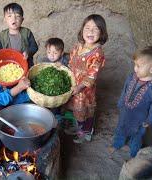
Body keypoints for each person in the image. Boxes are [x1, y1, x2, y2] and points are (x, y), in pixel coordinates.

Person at [108, 46, 152, 158]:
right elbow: (125, 90)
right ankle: (117, 144)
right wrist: (120, 103)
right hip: (125, 112)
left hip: (141, 119)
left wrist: (149, 120)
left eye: (139, 66)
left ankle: (134, 154)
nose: (135, 68)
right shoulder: (131, 77)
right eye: (135, 65)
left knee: (137, 136)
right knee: (120, 128)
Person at [65, 14, 108, 143]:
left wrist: (79, 87)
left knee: (84, 111)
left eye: (95, 29)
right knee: (74, 109)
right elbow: (71, 61)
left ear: (102, 33)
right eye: (87, 28)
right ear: (82, 30)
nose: (90, 32)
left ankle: (86, 133)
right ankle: (78, 126)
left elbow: (91, 75)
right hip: (73, 85)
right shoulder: (79, 46)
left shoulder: (97, 53)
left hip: (84, 90)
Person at [0, 3, 38, 68]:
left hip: (26, 64)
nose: (14, 19)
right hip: (9, 66)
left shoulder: (27, 32)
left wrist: (28, 52)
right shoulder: (2, 35)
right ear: (5, 20)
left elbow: (34, 47)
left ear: (22, 20)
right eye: (9, 16)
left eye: (17, 16)